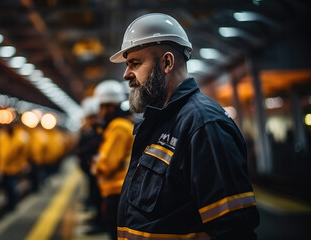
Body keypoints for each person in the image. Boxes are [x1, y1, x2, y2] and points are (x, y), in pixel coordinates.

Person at [110, 13, 260, 240]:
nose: (126, 74)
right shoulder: (162, 122)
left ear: (167, 62)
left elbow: (233, 229)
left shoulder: (204, 125)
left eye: (135, 63)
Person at [91, 80, 134, 240]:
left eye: (101, 107)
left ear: (109, 107)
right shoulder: (120, 125)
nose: (99, 112)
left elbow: (107, 163)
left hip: (117, 188)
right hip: (118, 188)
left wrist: (97, 167)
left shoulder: (117, 127)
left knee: (114, 231)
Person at [75, 96, 104, 233]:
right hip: (92, 171)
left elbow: (92, 148)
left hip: (100, 172)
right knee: (94, 194)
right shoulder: (89, 131)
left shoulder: (100, 132)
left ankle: (100, 221)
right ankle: (97, 218)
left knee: (99, 196)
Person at [0, 124, 29, 211]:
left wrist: (24, 163)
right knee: (6, 187)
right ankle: (10, 203)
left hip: (14, 167)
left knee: (11, 186)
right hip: (3, 167)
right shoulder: (1, 134)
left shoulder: (21, 135)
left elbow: (24, 152)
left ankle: (13, 204)